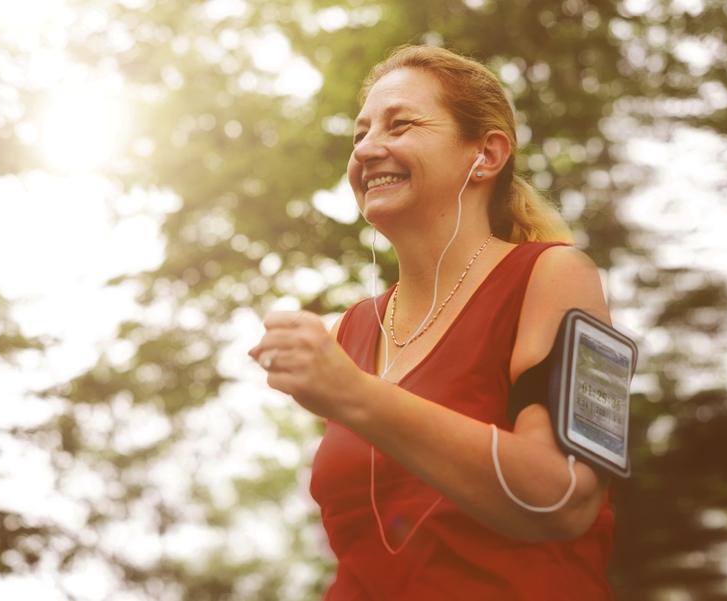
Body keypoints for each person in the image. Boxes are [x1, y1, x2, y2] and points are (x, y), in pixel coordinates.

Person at [249, 45, 615, 600]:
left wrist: (354, 395)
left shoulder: (560, 276)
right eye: (359, 135)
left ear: (486, 155)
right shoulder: (349, 332)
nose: (369, 148)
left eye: (401, 125)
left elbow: (566, 498)